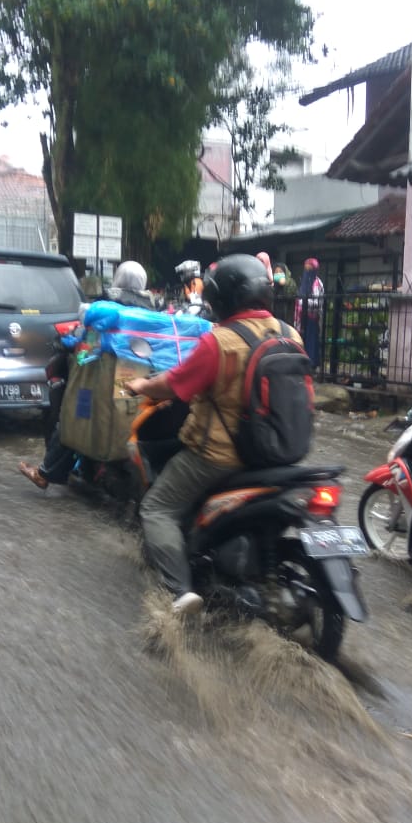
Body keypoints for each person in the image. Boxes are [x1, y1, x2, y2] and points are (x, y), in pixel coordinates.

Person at [125, 254, 298, 616]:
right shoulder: (290, 334)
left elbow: (174, 384)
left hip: (219, 457)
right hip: (278, 455)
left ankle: (180, 591)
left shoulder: (218, 341)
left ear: (221, 298)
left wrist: (142, 384)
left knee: (157, 508)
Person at [18, 260, 153, 489]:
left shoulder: (104, 313)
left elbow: (84, 351)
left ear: (118, 280)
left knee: (72, 420)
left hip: (102, 383)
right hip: (139, 387)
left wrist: (70, 342)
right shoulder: (152, 315)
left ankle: (45, 472)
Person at [294, 257, 324, 367]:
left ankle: (311, 364)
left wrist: (304, 302)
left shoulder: (317, 283)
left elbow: (318, 302)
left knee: (311, 341)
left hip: (312, 317)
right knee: (302, 340)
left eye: (309, 268)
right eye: (305, 267)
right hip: (302, 317)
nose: (307, 270)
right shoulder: (304, 282)